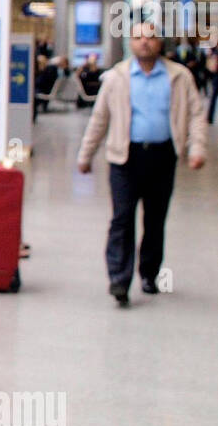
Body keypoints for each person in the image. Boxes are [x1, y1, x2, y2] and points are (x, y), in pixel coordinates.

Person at [77, 21, 206, 305]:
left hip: (162, 157)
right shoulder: (116, 78)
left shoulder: (179, 77)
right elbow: (100, 119)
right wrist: (85, 155)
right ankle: (119, 280)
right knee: (122, 218)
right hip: (125, 158)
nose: (144, 42)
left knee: (154, 219)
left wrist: (196, 147)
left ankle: (149, 273)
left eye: (150, 37)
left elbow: (196, 114)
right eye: (138, 37)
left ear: (160, 42)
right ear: (130, 43)